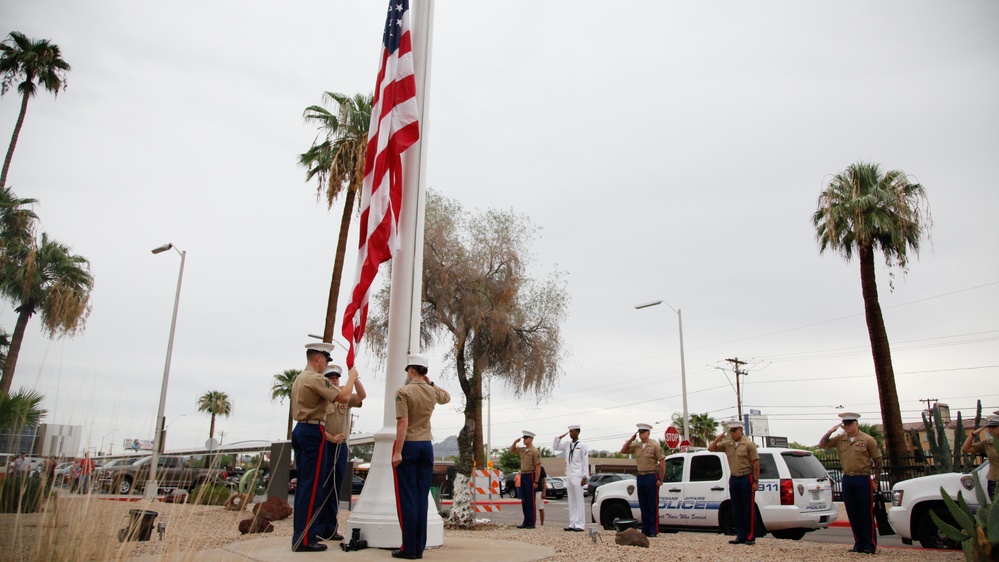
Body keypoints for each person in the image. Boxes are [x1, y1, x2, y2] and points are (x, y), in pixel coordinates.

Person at [289, 341, 357, 553]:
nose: (326, 364)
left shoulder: (300, 378)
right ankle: (305, 539)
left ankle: (302, 535)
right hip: (312, 431)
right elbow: (344, 396)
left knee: (305, 486)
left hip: (301, 429)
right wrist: (353, 377)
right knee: (313, 487)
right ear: (317, 358)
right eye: (326, 359)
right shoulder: (314, 379)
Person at [392, 353, 451, 560]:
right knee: (421, 498)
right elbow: (447, 397)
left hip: (409, 444)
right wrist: (430, 382)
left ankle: (408, 548)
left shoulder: (403, 392)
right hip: (427, 445)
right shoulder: (431, 391)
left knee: (407, 498)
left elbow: (402, 423)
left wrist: (397, 452)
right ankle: (418, 547)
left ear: (411, 371)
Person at [818, 411, 882, 555]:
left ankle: (869, 545)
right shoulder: (840, 439)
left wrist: (876, 480)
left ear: (856, 423)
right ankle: (858, 543)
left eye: (849, 423)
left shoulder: (868, 440)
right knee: (853, 513)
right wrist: (830, 431)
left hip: (863, 477)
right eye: (845, 424)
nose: (847, 426)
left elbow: (877, 460)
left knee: (866, 513)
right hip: (847, 478)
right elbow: (822, 444)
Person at [317, 364, 366, 541]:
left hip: (341, 447)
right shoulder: (322, 398)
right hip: (327, 445)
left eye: (336, 378)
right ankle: (318, 527)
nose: (335, 380)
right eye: (331, 378)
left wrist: (355, 378)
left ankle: (330, 528)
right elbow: (317, 424)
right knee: (322, 487)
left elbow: (361, 396)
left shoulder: (344, 398)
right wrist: (330, 438)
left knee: (335, 489)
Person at [709, 420, 759, 545]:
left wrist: (756, 481)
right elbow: (711, 449)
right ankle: (740, 535)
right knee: (736, 509)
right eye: (731, 431)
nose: (733, 433)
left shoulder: (748, 444)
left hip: (746, 477)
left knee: (748, 509)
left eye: (735, 431)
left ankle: (750, 536)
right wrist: (718, 438)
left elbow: (756, 463)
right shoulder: (728, 444)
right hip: (734, 478)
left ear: (741, 430)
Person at [620, 423, 665, 538]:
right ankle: (645, 529)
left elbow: (662, 462)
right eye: (639, 432)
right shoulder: (637, 446)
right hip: (640, 476)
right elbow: (623, 451)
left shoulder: (654, 445)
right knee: (643, 504)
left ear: (648, 433)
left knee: (652, 504)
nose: (641, 434)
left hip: (651, 475)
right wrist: (631, 439)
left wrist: (661, 478)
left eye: (643, 432)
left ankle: (653, 530)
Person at [553, 424, 590, 532]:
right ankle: (573, 523)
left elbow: (585, 461)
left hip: (578, 476)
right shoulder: (567, 444)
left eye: (572, 431)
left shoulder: (582, 445)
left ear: (578, 432)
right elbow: (555, 447)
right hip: (569, 475)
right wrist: (559, 438)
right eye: (569, 431)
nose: (571, 433)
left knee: (579, 500)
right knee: (572, 500)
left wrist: (585, 476)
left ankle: (580, 524)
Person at [961, 414, 999, 500]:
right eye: (989, 427)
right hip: (994, 480)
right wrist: (973, 434)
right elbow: (966, 449)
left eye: (994, 426)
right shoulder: (987, 443)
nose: (990, 429)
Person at [511, 431, 541, 529]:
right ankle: (526, 521)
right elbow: (512, 450)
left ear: (531, 438)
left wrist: (536, 481)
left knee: (530, 499)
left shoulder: (534, 451)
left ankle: (531, 522)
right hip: (523, 475)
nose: (524, 440)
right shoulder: (522, 450)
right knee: (524, 500)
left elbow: (538, 467)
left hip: (530, 475)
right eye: (524, 438)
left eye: (526, 438)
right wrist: (515, 442)